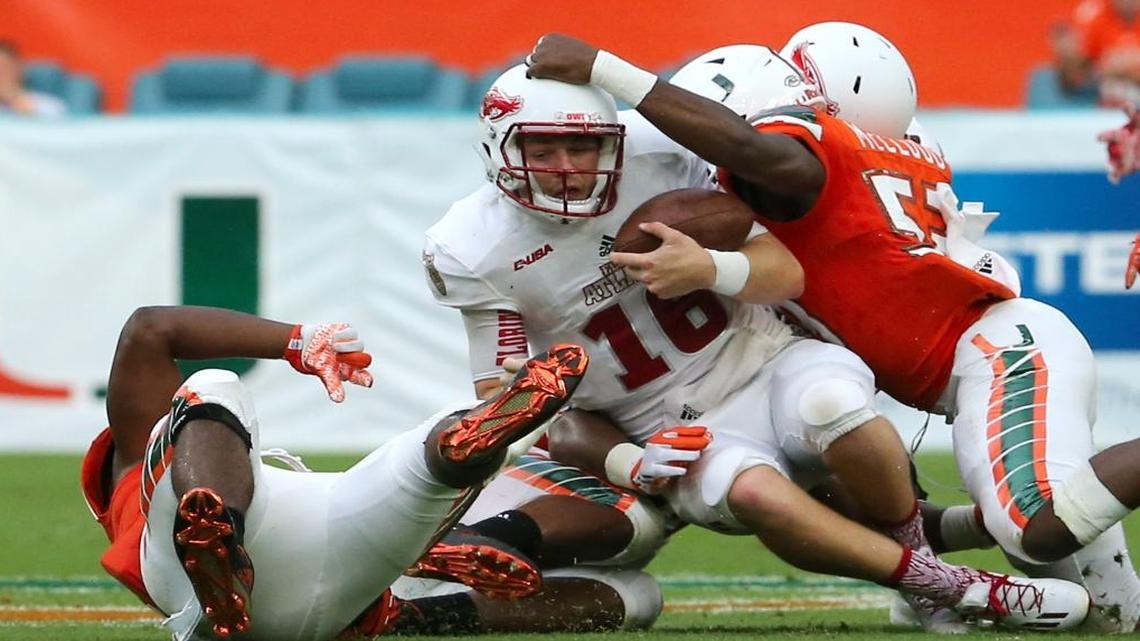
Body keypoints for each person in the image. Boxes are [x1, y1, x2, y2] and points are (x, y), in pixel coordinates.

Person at [423, 62, 1090, 631]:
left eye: (587, 147)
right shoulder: (473, 248)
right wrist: (627, 457)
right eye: (544, 150)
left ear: (616, 143)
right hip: (672, 428)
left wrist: (708, 270)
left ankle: (922, 572)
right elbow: (513, 402)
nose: (569, 168)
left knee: (835, 402)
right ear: (497, 147)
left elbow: (786, 274)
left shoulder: (657, 159)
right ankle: (958, 585)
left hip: (765, 357)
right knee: (758, 494)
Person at [81, 305, 646, 640]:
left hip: (236, 607)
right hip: (330, 593)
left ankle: (226, 545)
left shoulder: (136, 476)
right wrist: (294, 342)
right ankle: (458, 451)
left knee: (639, 596)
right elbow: (149, 326)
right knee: (413, 469)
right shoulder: (139, 457)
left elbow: (149, 332)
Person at [1053, 0, 1140, 105]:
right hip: (1105, 92)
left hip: (1130, 86)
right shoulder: (1094, 17)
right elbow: (1078, 71)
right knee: (1113, 88)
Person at [0, 40, 66, 116]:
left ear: (20, 68)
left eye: (5, 67)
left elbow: (61, 118)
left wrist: (16, 100)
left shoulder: (47, 106)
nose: (1, 73)